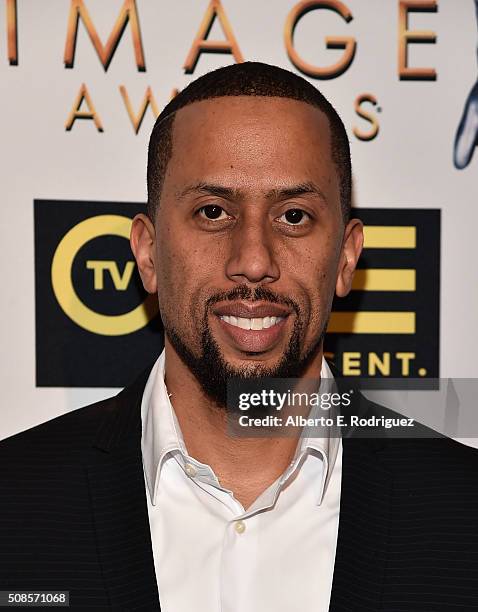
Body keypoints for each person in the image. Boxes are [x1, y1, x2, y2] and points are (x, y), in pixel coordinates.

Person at [1, 62, 478, 612]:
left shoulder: (465, 513)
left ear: (346, 258)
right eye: (213, 212)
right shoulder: (13, 502)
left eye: (294, 216)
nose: (253, 261)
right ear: (148, 253)